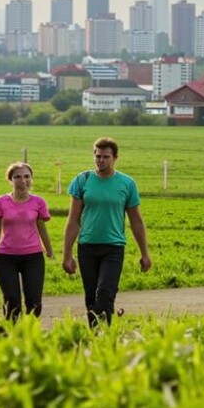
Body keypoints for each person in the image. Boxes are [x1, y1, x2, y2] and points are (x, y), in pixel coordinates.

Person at [62, 137, 151, 327]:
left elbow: (136, 220)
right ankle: (97, 337)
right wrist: (67, 254)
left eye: (106, 157)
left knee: (105, 292)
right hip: (87, 247)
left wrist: (145, 253)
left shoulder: (127, 183)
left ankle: (105, 331)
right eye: (97, 156)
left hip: (113, 247)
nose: (100, 160)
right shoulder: (82, 180)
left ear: (115, 158)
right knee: (91, 295)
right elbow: (73, 220)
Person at [0, 162, 54, 321]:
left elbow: (41, 227)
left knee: (34, 302)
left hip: (33, 257)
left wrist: (49, 250)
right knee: (12, 302)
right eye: (17, 177)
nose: (22, 181)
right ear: (10, 180)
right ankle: (11, 336)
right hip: (6, 258)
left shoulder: (38, 202)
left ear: (31, 179)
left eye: (26, 176)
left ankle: (29, 333)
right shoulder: (0, 202)